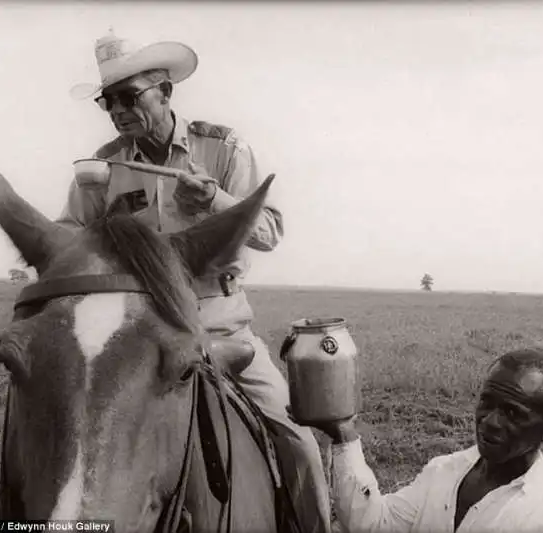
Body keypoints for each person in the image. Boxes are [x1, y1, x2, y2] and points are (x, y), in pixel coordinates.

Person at [57, 31, 332, 533]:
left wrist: (214, 202)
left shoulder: (221, 148)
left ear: (165, 91)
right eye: (107, 101)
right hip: (142, 334)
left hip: (221, 326)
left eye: (127, 96)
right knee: (65, 430)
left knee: (299, 442)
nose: (116, 110)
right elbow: (67, 237)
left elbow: (268, 232)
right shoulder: (104, 164)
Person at [296, 349, 543, 532]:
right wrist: (343, 433)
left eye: (513, 413)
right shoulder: (443, 472)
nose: (491, 421)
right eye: (487, 402)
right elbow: (375, 524)